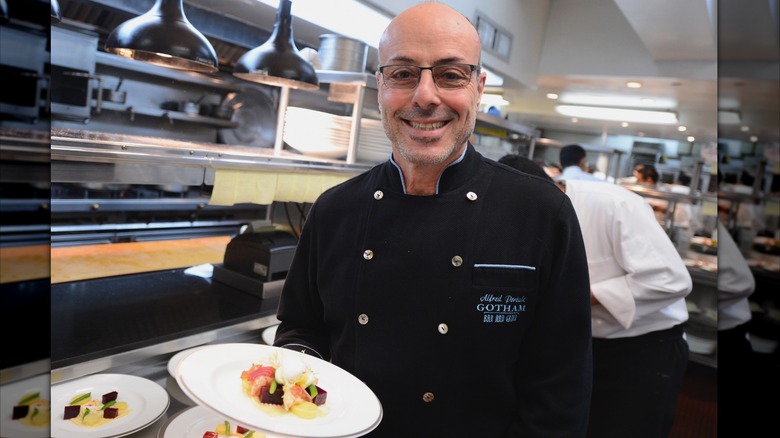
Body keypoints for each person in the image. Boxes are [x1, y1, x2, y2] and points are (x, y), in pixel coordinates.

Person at [272, 3, 593, 436]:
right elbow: (300, 328)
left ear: (478, 88)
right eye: (403, 74)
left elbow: (560, 391)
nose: (425, 96)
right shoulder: (333, 209)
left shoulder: (542, 214)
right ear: (380, 84)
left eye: (450, 74)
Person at [559, 177, 693, 438]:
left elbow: (669, 279)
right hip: (583, 347)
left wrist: (573, 296)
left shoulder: (613, 203)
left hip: (643, 349)